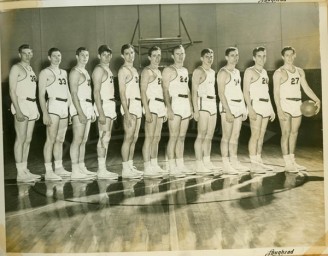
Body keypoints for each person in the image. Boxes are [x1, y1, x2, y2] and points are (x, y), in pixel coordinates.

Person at [273, 46, 320, 173]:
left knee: (294, 133)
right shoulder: (279, 73)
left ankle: (292, 160)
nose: (289, 57)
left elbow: (306, 88)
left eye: (291, 55)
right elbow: (276, 94)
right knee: (286, 133)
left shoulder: (299, 71)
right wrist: (279, 110)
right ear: (283, 57)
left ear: (294, 55)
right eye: (286, 55)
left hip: (297, 104)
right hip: (285, 104)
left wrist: (317, 99)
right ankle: (287, 163)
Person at [38, 47, 72, 181]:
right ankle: (48, 171)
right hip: (53, 105)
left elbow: (68, 91)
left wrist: (70, 110)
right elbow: (41, 95)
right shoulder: (45, 73)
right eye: (54, 56)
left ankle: (59, 167)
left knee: (60, 139)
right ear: (49, 58)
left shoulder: (64, 72)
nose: (57, 58)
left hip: (64, 106)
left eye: (59, 56)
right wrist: (44, 113)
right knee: (50, 139)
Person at [9, 44, 41, 182]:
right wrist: (18, 110)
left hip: (32, 104)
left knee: (28, 139)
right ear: (19, 54)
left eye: (30, 53)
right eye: (25, 53)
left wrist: (36, 108)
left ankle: (25, 169)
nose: (28, 55)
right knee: (20, 139)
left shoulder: (30, 69)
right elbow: (12, 91)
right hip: (21, 104)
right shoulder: (16, 68)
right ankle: (19, 172)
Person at [162, 45, 195, 177]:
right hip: (175, 103)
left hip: (185, 104)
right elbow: (165, 90)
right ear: (172, 56)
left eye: (182, 53)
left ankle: (180, 164)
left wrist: (191, 106)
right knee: (174, 136)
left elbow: (187, 89)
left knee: (182, 137)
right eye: (177, 54)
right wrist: (168, 108)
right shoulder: (168, 70)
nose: (180, 56)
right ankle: (171, 166)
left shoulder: (185, 70)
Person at [217, 47, 249, 174]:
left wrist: (244, 108)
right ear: (226, 57)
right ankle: (225, 164)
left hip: (238, 107)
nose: (235, 58)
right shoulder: (223, 72)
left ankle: (234, 161)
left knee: (235, 136)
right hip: (228, 107)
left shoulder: (236, 72)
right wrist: (227, 111)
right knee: (226, 136)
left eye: (237, 55)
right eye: (232, 55)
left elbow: (239, 91)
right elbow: (221, 93)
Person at [243, 46, 275, 174]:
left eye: (264, 56)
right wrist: (249, 108)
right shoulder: (249, 71)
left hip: (266, 105)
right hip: (255, 105)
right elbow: (245, 92)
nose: (262, 58)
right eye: (259, 56)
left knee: (262, 136)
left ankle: (259, 161)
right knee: (255, 135)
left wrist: (272, 109)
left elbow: (267, 92)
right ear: (254, 57)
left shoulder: (265, 72)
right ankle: (253, 164)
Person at [192, 48, 221, 175]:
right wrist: (195, 110)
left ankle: (207, 161)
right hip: (202, 103)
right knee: (201, 134)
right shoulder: (198, 71)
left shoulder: (213, 71)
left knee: (210, 135)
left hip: (212, 103)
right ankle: (198, 164)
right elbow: (194, 92)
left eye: (211, 56)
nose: (209, 59)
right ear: (202, 58)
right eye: (207, 56)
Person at [69, 47, 96, 180]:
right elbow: (73, 94)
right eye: (82, 55)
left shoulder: (85, 71)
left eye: (87, 55)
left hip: (87, 105)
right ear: (77, 56)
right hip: (78, 106)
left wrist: (91, 109)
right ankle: (74, 170)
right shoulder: (75, 72)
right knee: (77, 139)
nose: (85, 57)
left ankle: (81, 166)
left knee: (84, 140)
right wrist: (80, 112)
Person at [92, 45, 119, 180]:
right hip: (103, 105)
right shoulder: (98, 69)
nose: (107, 57)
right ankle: (101, 170)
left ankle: (103, 169)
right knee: (103, 137)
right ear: (99, 56)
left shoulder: (108, 69)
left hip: (110, 104)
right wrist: (101, 112)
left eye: (109, 55)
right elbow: (96, 92)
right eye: (104, 55)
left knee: (107, 137)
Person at [140, 46, 166, 178]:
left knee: (157, 137)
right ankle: (147, 166)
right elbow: (143, 92)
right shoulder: (147, 71)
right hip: (152, 105)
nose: (157, 58)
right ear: (149, 57)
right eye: (154, 55)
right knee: (149, 138)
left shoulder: (159, 72)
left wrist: (165, 109)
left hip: (160, 105)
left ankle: (154, 164)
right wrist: (147, 110)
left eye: (159, 55)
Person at [119, 44, 143, 179]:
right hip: (129, 104)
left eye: (132, 53)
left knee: (134, 137)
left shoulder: (134, 69)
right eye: (127, 53)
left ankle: (130, 165)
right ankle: (124, 168)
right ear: (123, 55)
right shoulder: (122, 70)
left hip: (137, 104)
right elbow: (122, 93)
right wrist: (126, 113)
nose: (130, 55)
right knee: (128, 137)